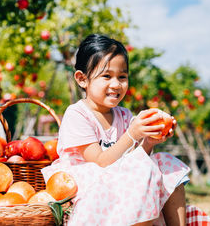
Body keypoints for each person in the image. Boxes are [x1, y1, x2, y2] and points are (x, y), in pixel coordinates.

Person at [42, 34, 191, 226]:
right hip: (89, 186)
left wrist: (149, 141)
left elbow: (135, 158)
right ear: (82, 79)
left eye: (122, 77)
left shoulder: (124, 115)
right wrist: (132, 134)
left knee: (165, 163)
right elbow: (100, 161)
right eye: (106, 76)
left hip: (120, 180)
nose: (116, 84)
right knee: (141, 169)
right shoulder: (77, 114)